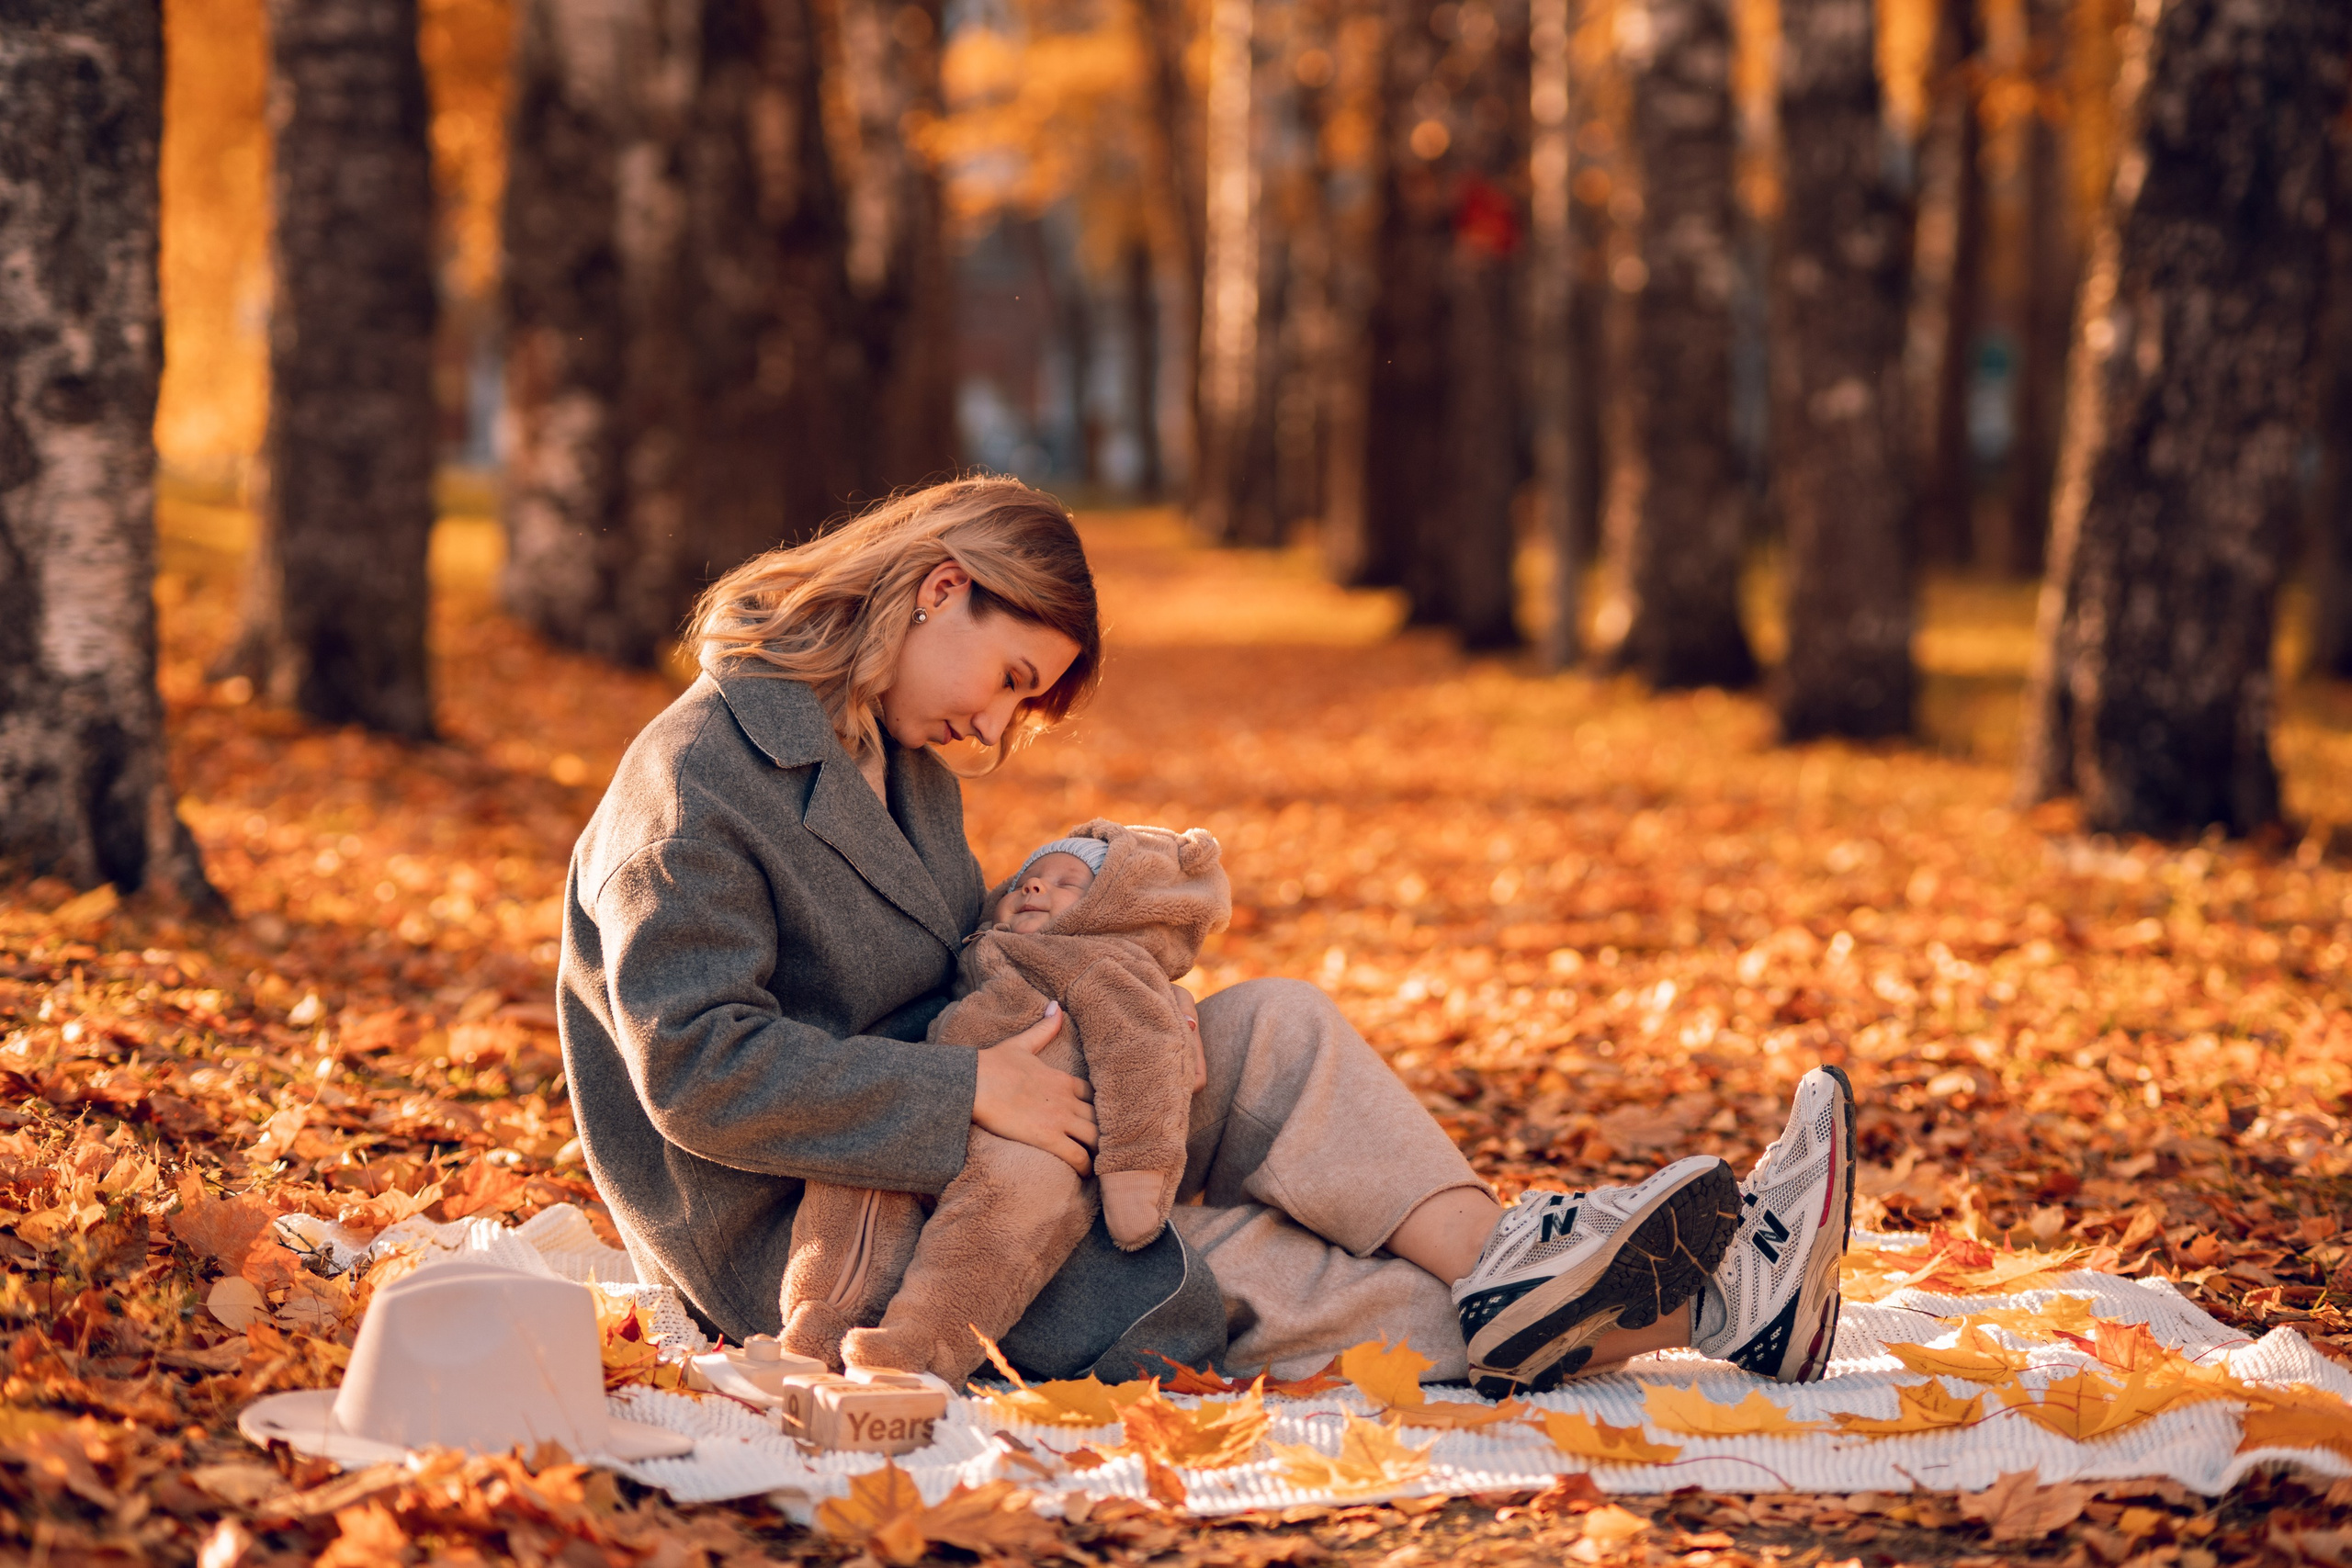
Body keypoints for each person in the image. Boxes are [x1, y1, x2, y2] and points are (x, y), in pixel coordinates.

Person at [556, 476, 1856, 1395]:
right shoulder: (695, 782)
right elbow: (699, 1069)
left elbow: (950, 969)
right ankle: (1723, 1303)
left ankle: (1521, 1259)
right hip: (835, 1238)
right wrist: (972, 1093)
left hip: (984, 1129)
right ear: (938, 589)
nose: (1001, 733)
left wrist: (1079, 951)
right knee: (1245, 1264)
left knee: (1273, 1022)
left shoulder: (903, 759)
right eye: (1012, 681)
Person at [780, 822, 1228, 1384]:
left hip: (1044, 1138)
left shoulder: (1104, 965)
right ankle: (816, 1325)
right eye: (1028, 880)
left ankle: (917, 1349)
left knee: (994, 1230)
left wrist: (1137, 1170)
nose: (1035, 888)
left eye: (1067, 882)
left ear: (1117, 909)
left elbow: (1144, 1059)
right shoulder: (986, 953)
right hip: (945, 1108)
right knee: (852, 1187)